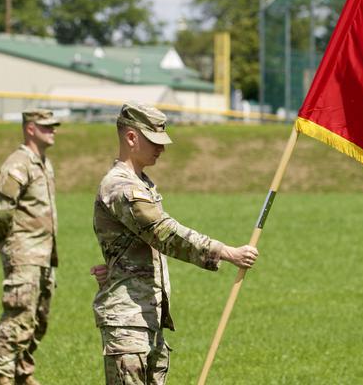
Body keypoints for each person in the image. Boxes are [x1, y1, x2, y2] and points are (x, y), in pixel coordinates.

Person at [91, 101, 259, 384]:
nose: (162, 148)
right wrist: (224, 251)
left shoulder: (142, 183)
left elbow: (137, 242)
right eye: (153, 140)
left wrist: (116, 268)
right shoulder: (122, 187)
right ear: (131, 137)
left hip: (148, 317)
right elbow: (163, 232)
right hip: (129, 322)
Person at [0, 109, 62, 385]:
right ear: (30, 129)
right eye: (46, 127)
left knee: (39, 319)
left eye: (54, 126)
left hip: (44, 254)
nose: (53, 130)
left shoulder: (43, 162)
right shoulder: (17, 164)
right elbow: (2, 212)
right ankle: (2, 376)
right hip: (23, 252)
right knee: (18, 316)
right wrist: (2, 241)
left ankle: (23, 372)